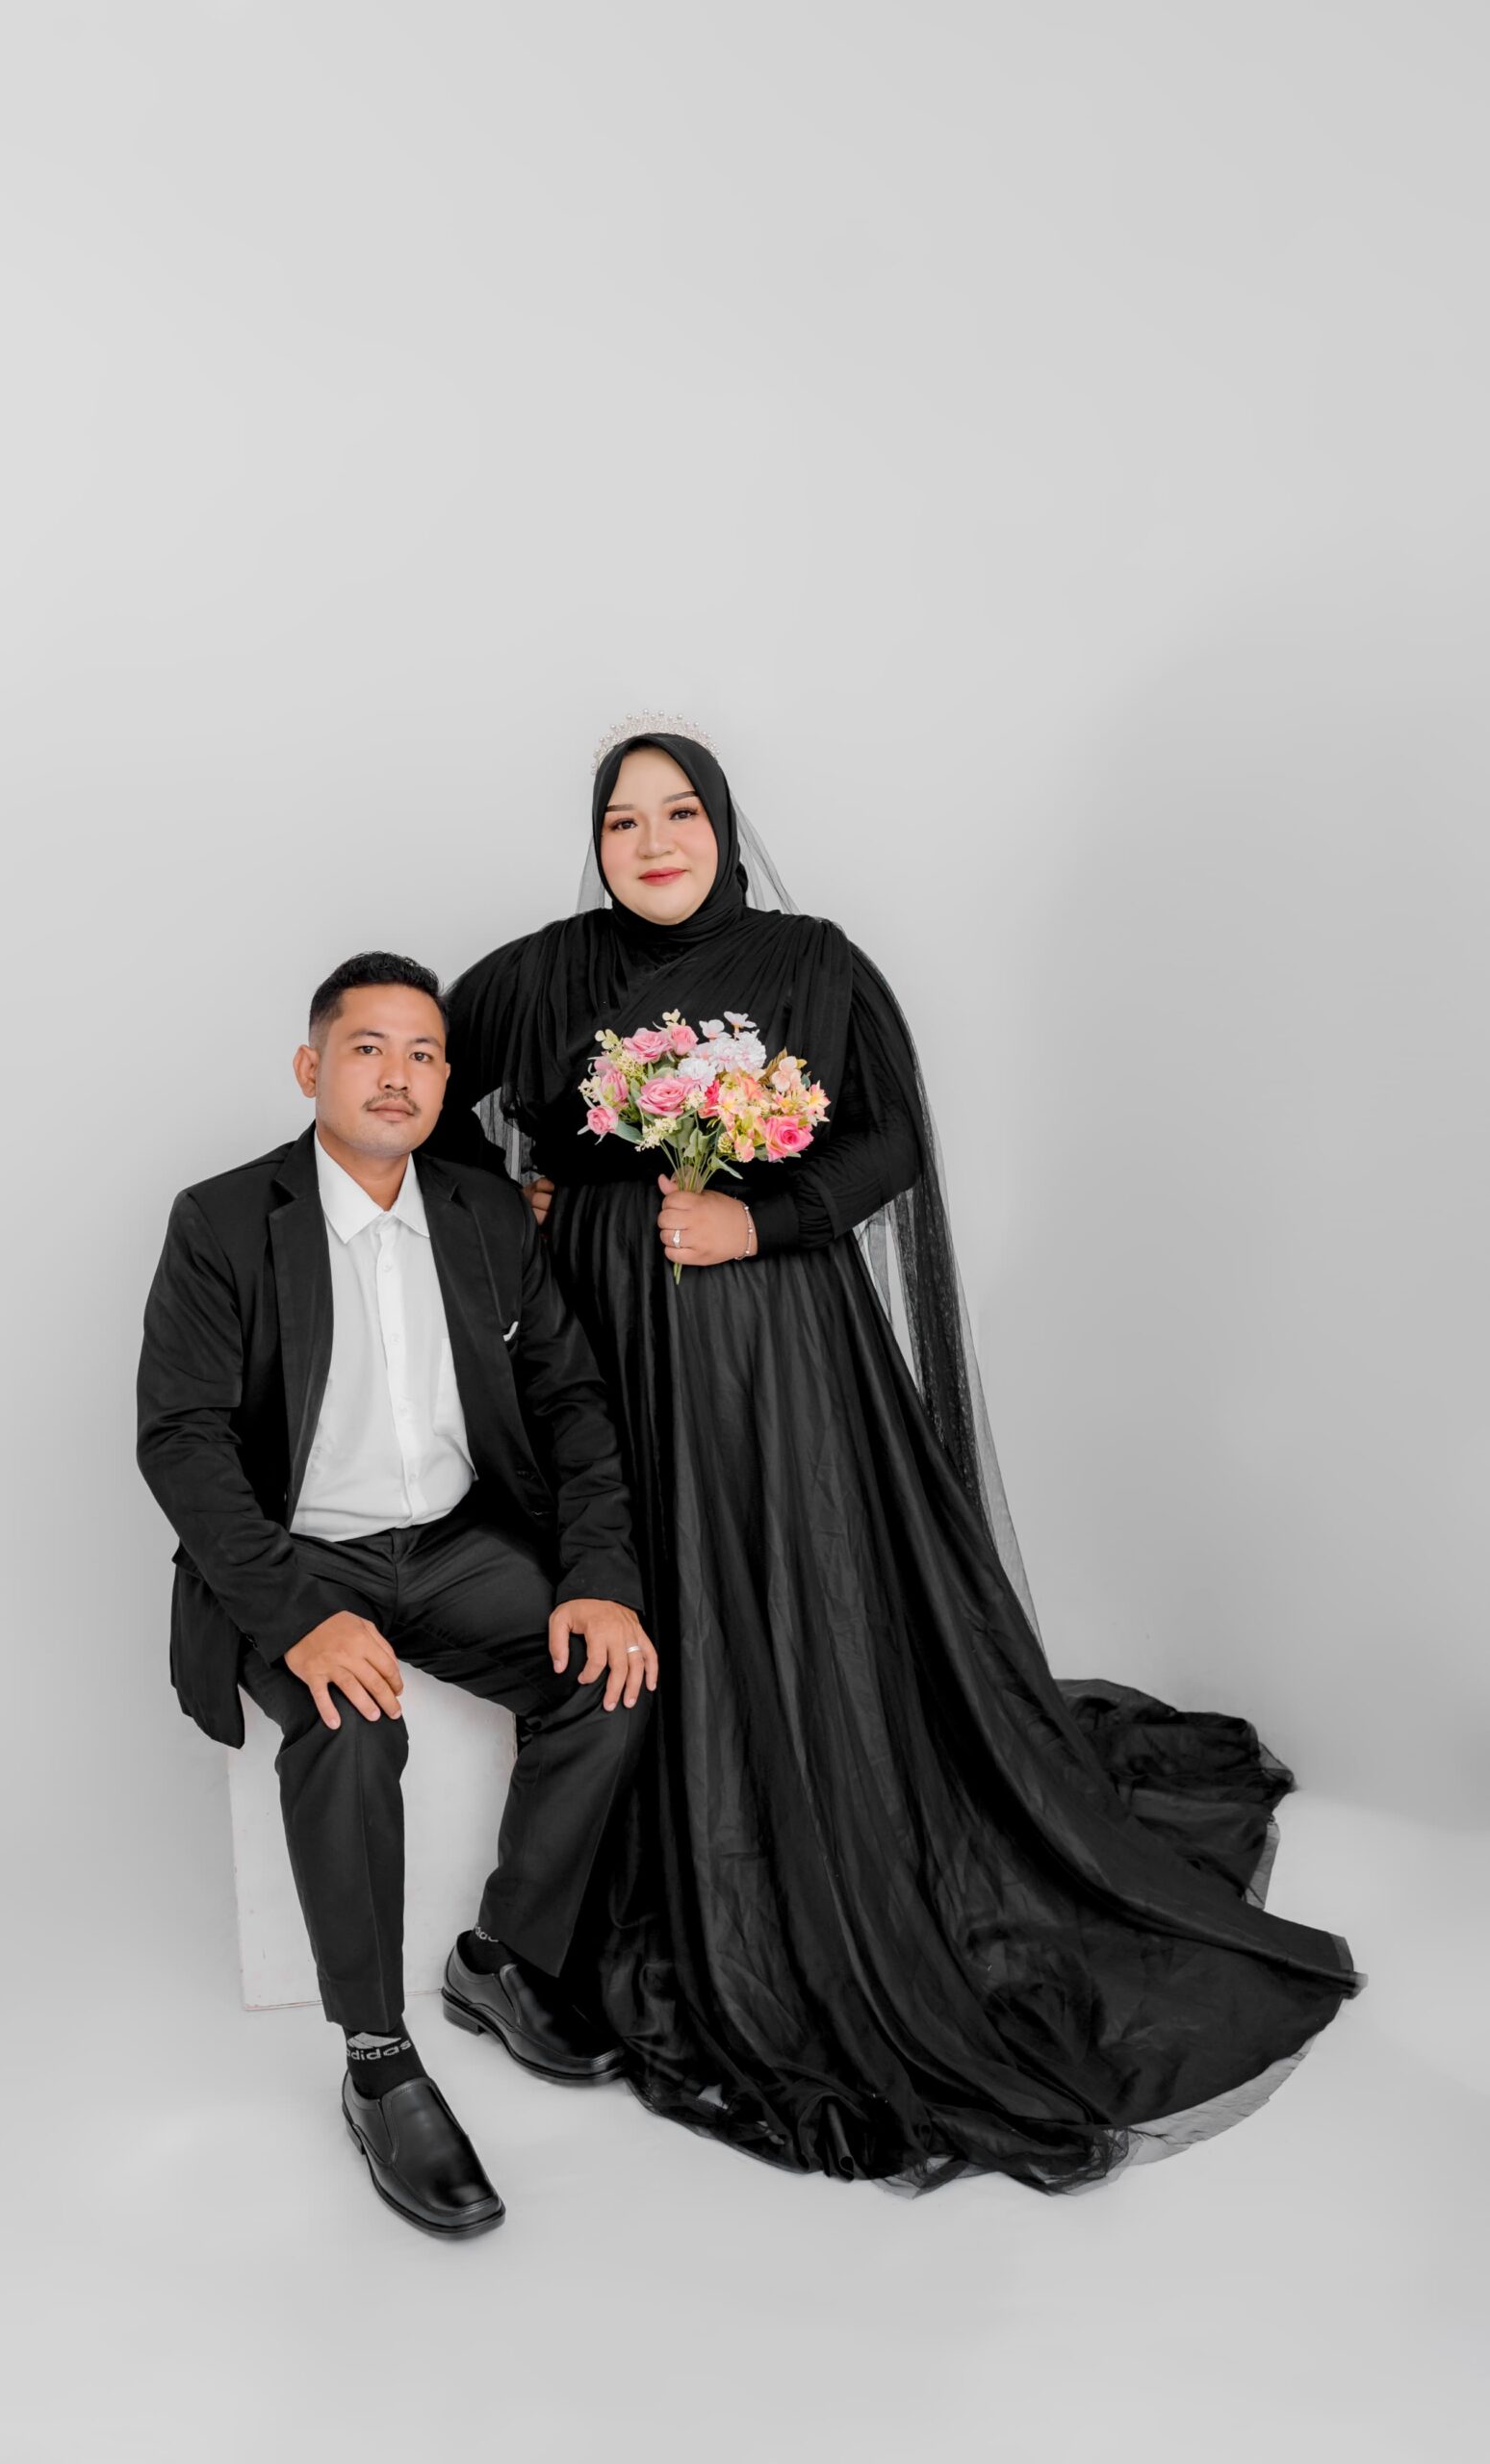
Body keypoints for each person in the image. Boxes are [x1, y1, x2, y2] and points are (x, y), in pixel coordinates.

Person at [429, 722, 1366, 2194]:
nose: (653, 842)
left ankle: (815, 1824)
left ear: (724, 826)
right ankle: (645, 1868)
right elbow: (421, 1093)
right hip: (607, 1342)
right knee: (654, 1572)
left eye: (679, 814)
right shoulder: (538, 975)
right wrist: (514, 1206)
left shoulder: (813, 963)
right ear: (594, 844)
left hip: (780, 1343)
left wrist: (755, 1219)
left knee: (792, 1576)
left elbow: (888, 1141)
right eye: (622, 821)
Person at [137, 951, 656, 2238]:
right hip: (299, 1556)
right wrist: (297, 1617)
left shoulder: (485, 1214)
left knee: (613, 1675)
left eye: (423, 1054)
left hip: (456, 1543)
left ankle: (501, 1959)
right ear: (311, 1068)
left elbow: (572, 1403)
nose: (397, 1075)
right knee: (352, 1724)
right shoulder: (222, 1220)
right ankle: (378, 2060)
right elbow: (183, 1442)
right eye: (367, 1048)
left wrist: (598, 1578)